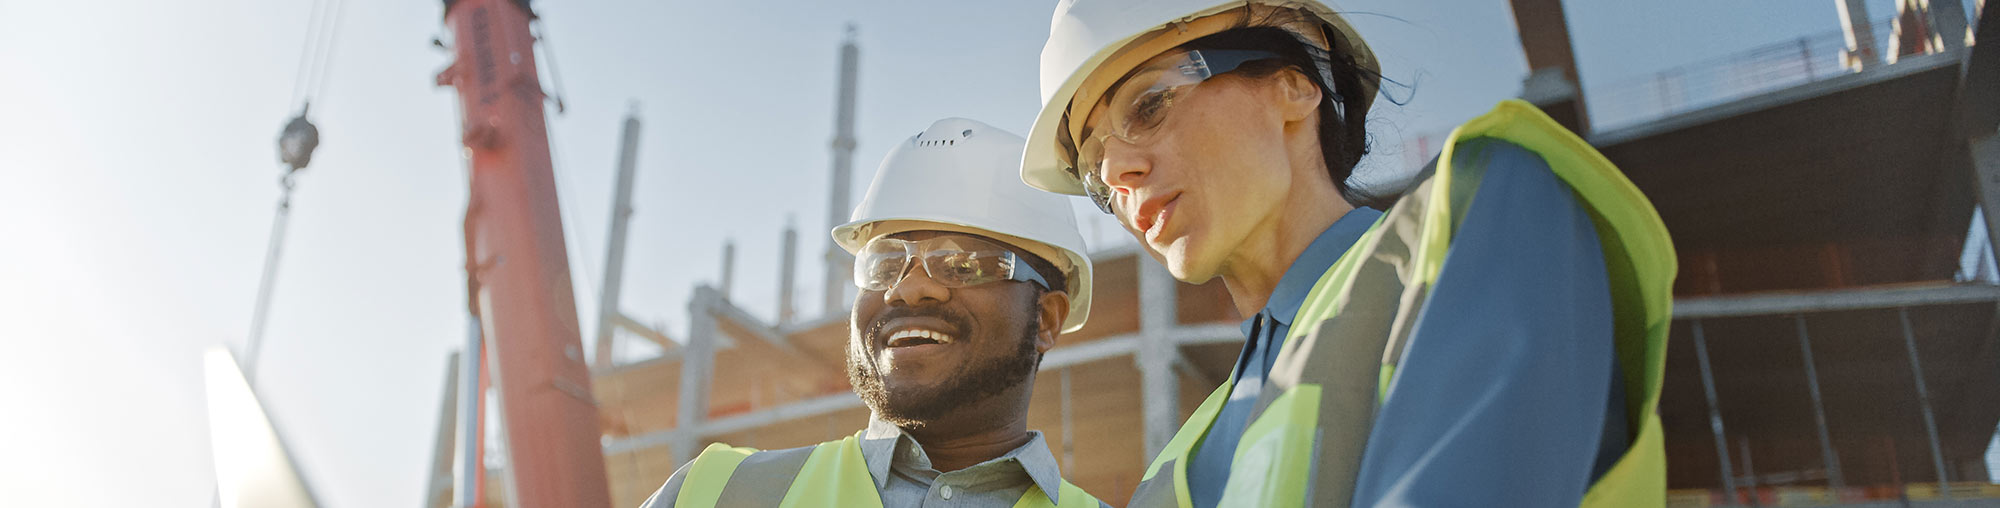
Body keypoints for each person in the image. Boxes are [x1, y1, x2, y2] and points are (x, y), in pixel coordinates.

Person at [1017, 1, 1677, 506]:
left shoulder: (1472, 219)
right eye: (1097, 170)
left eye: (1150, 105)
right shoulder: (1178, 459)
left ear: (1295, 87)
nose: (1120, 173)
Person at [641, 118, 1107, 508]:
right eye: (885, 263)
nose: (909, 287)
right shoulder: (714, 494)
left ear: (1046, 318)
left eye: (961, 264)